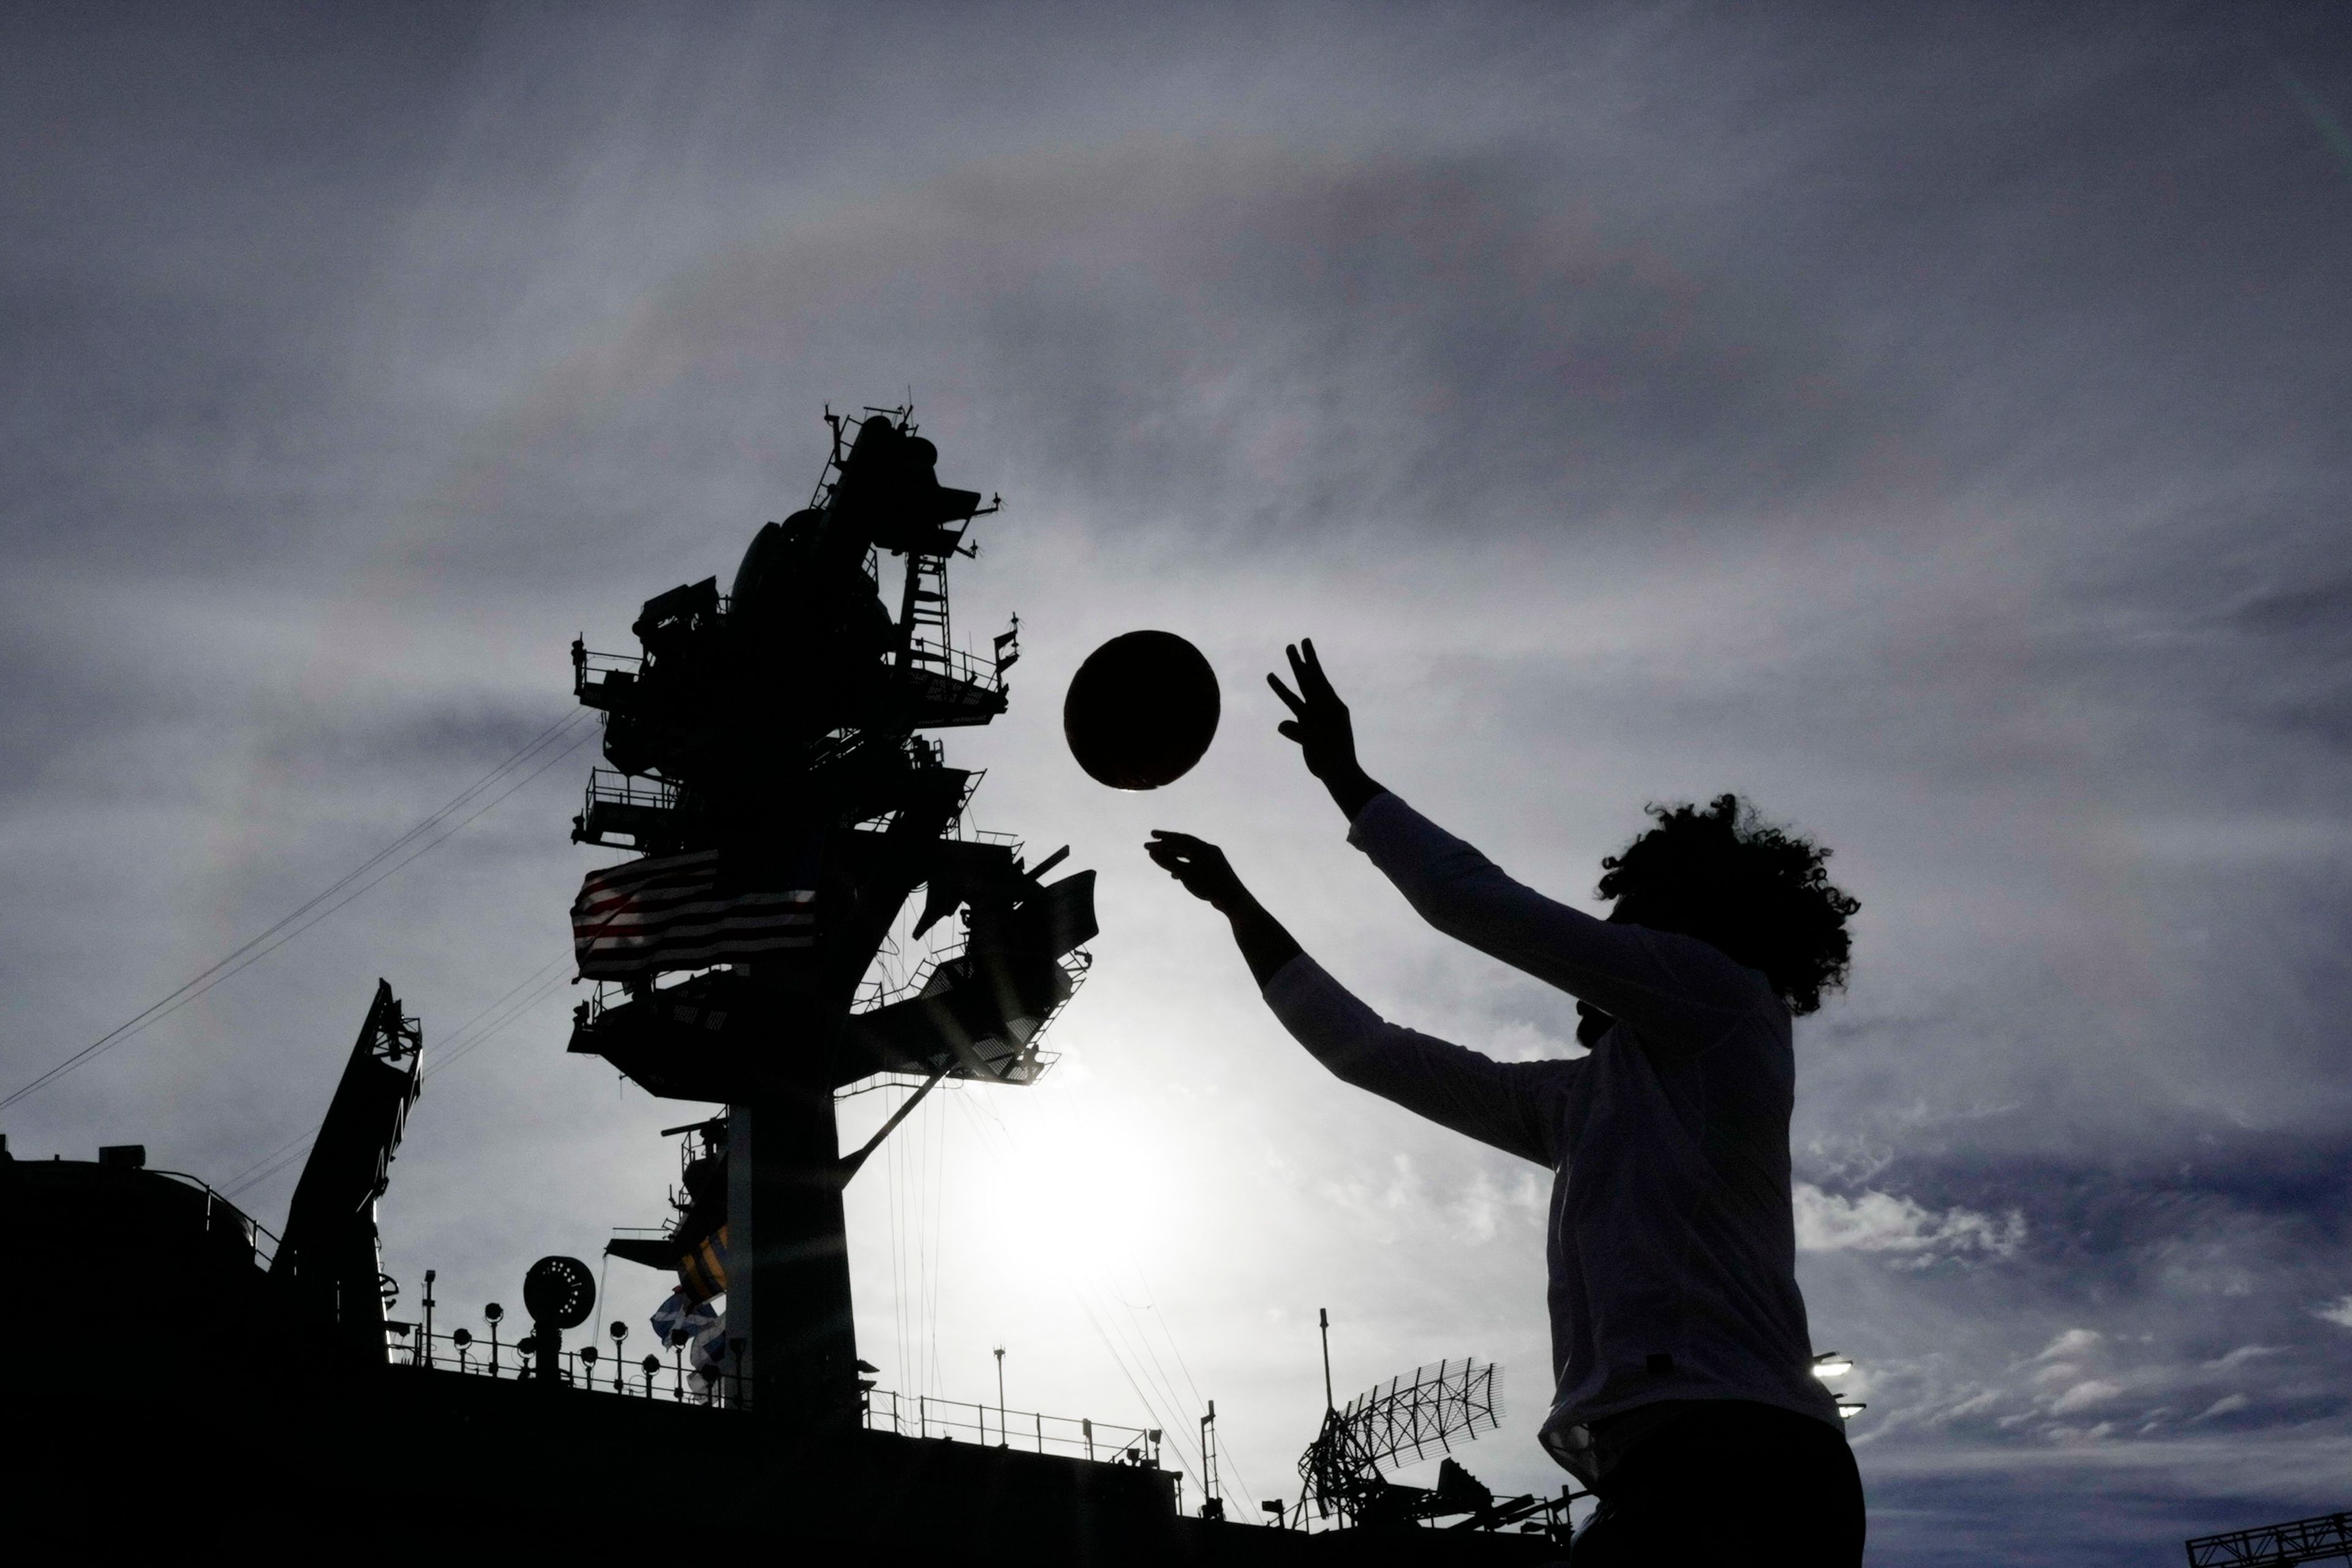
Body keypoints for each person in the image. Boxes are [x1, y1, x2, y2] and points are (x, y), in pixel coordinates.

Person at [1145, 639, 1866, 1565]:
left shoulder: (1725, 1004)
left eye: (1622, 924)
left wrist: (1344, 778)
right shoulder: (1585, 1103)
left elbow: (1465, 900)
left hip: (1739, 1464)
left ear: (1680, 926)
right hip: (1675, 1472)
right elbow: (1366, 1051)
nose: (1600, 945)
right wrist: (1240, 907)